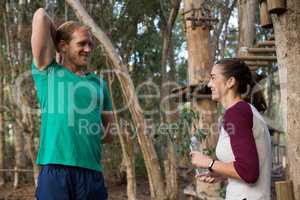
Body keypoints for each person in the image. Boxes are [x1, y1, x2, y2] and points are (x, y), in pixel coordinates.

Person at [31, 8, 115, 200]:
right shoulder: (48, 72)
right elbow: (40, 15)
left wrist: (85, 134)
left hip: (91, 173)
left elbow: (110, 134)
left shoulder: (99, 85)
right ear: (63, 45)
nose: (88, 49)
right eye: (82, 43)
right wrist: (59, 42)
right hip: (55, 171)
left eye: (90, 44)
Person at [191, 58, 272, 200]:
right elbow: (248, 166)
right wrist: (221, 174)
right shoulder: (246, 111)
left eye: (213, 78)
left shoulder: (237, 113)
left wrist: (208, 163)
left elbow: (249, 172)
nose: (209, 84)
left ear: (230, 82)